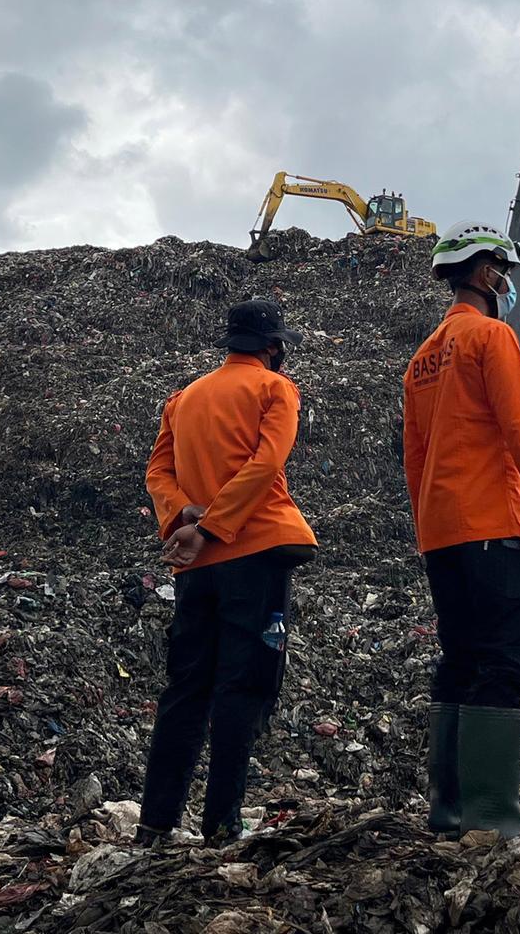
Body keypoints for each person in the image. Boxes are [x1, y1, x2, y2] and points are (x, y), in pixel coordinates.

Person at [402, 221, 520, 840]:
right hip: (495, 529)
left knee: (459, 661)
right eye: (503, 272)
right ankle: (490, 820)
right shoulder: (490, 336)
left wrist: (430, 522)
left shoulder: (423, 358)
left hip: (443, 533)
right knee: (503, 663)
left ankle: (448, 811)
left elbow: (415, 455)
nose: (506, 284)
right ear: (485, 275)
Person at [139, 299, 318, 844]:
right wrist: (215, 525)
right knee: (242, 688)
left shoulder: (183, 398)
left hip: (195, 565)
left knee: (186, 689)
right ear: (273, 347)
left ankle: (154, 825)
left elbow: (158, 471)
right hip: (254, 551)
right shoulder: (274, 389)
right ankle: (222, 824)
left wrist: (184, 518)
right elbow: (266, 464)